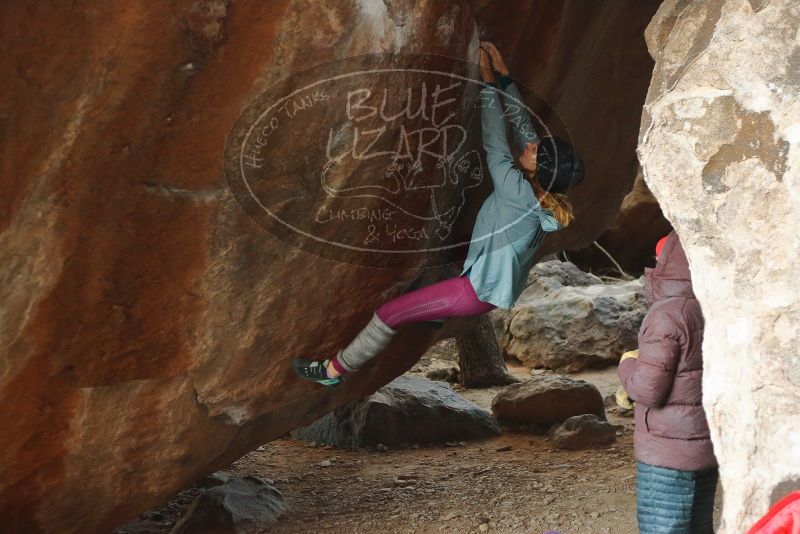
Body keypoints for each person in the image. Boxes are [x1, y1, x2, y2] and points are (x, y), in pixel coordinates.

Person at [293, 42, 584, 386]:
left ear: (537, 170)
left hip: (471, 294)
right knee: (445, 251)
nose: (532, 146)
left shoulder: (515, 191)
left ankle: (332, 372)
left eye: (537, 153)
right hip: (485, 281)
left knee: (389, 314)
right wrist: (506, 78)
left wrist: (486, 83)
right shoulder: (545, 192)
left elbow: (495, 137)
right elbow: (523, 129)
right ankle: (434, 311)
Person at [618, 232, 718, 533]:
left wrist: (627, 365)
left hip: (666, 450)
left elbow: (648, 390)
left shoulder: (667, 314)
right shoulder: (715, 304)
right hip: (705, 442)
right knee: (699, 526)